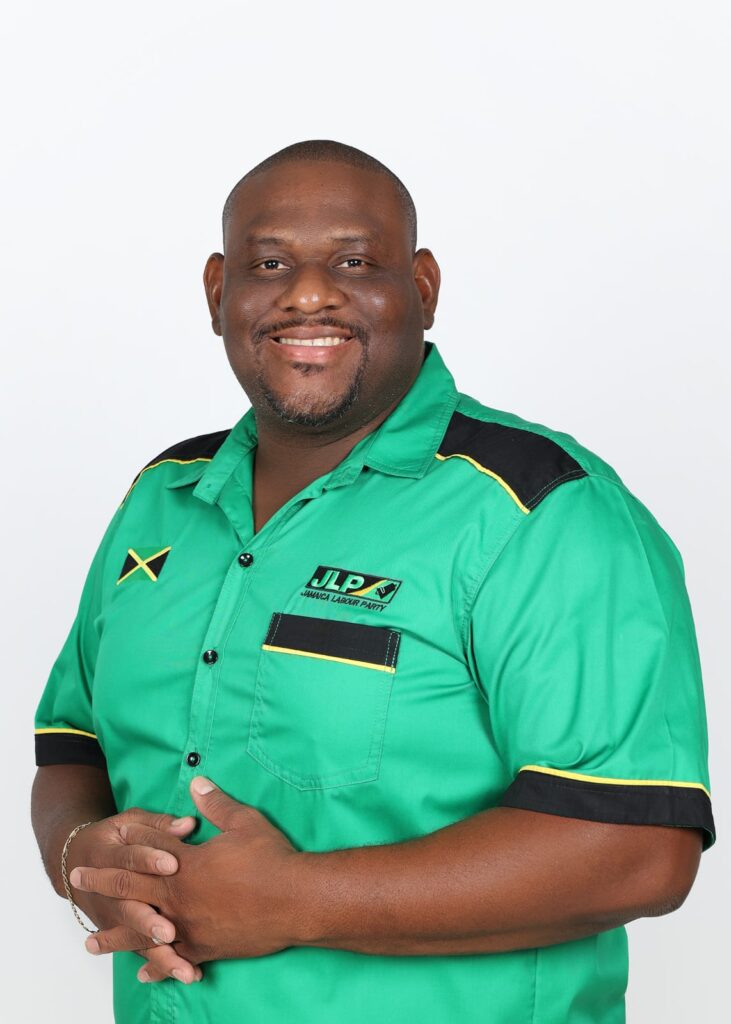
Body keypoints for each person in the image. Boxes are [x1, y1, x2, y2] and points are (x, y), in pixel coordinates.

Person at [31, 139, 715, 1024]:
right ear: (216, 291)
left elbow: (640, 850)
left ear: (422, 287)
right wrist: (83, 862)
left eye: (354, 262)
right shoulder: (159, 500)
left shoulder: (540, 511)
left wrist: (293, 901)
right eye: (269, 264)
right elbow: (72, 748)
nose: (307, 294)